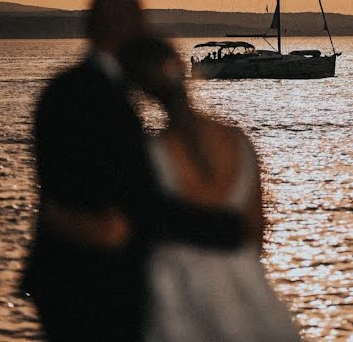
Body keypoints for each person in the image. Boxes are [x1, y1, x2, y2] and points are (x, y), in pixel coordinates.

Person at [22, 0, 247, 342]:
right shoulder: (94, 96)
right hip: (88, 278)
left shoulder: (71, 88)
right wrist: (220, 228)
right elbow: (131, 197)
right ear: (127, 27)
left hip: (75, 274)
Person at [119, 36, 301, 342]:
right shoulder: (238, 141)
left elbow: (134, 234)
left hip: (177, 293)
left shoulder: (150, 154)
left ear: (140, 91)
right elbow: (256, 229)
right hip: (245, 287)